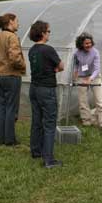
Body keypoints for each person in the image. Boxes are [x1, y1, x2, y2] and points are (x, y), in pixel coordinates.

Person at [28, 20, 64, 168]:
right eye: (48, 31)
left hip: (34, 88)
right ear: (42, 33)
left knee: (37, 120)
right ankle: (49, 159)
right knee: (49, 123)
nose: (49, 34)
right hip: (46, 90)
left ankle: (36, 151)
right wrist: (55, 69)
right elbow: (60, 66)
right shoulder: (48, 49)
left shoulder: (32, 50)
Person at [0, 13, 26, 146]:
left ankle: (1, 138)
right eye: (17, 21)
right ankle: (10, 140)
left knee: (2, 107)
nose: (18, 24)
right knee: (11, 108)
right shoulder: (12, 37)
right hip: (12, 76)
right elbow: (15, 57)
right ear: (10, 22)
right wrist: (23, 65)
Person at [73, 32, 102, 129]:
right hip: (82, 76)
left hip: (95, 76)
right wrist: (75, 73)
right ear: (81, 44)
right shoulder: (77, 53)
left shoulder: (95, 52)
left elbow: (97, 69)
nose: (89, 45)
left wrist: (90, 79)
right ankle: (86, 121)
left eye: (90, 43)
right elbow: (76, 64)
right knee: (82, 100)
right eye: (86, 43)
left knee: (99, 100)